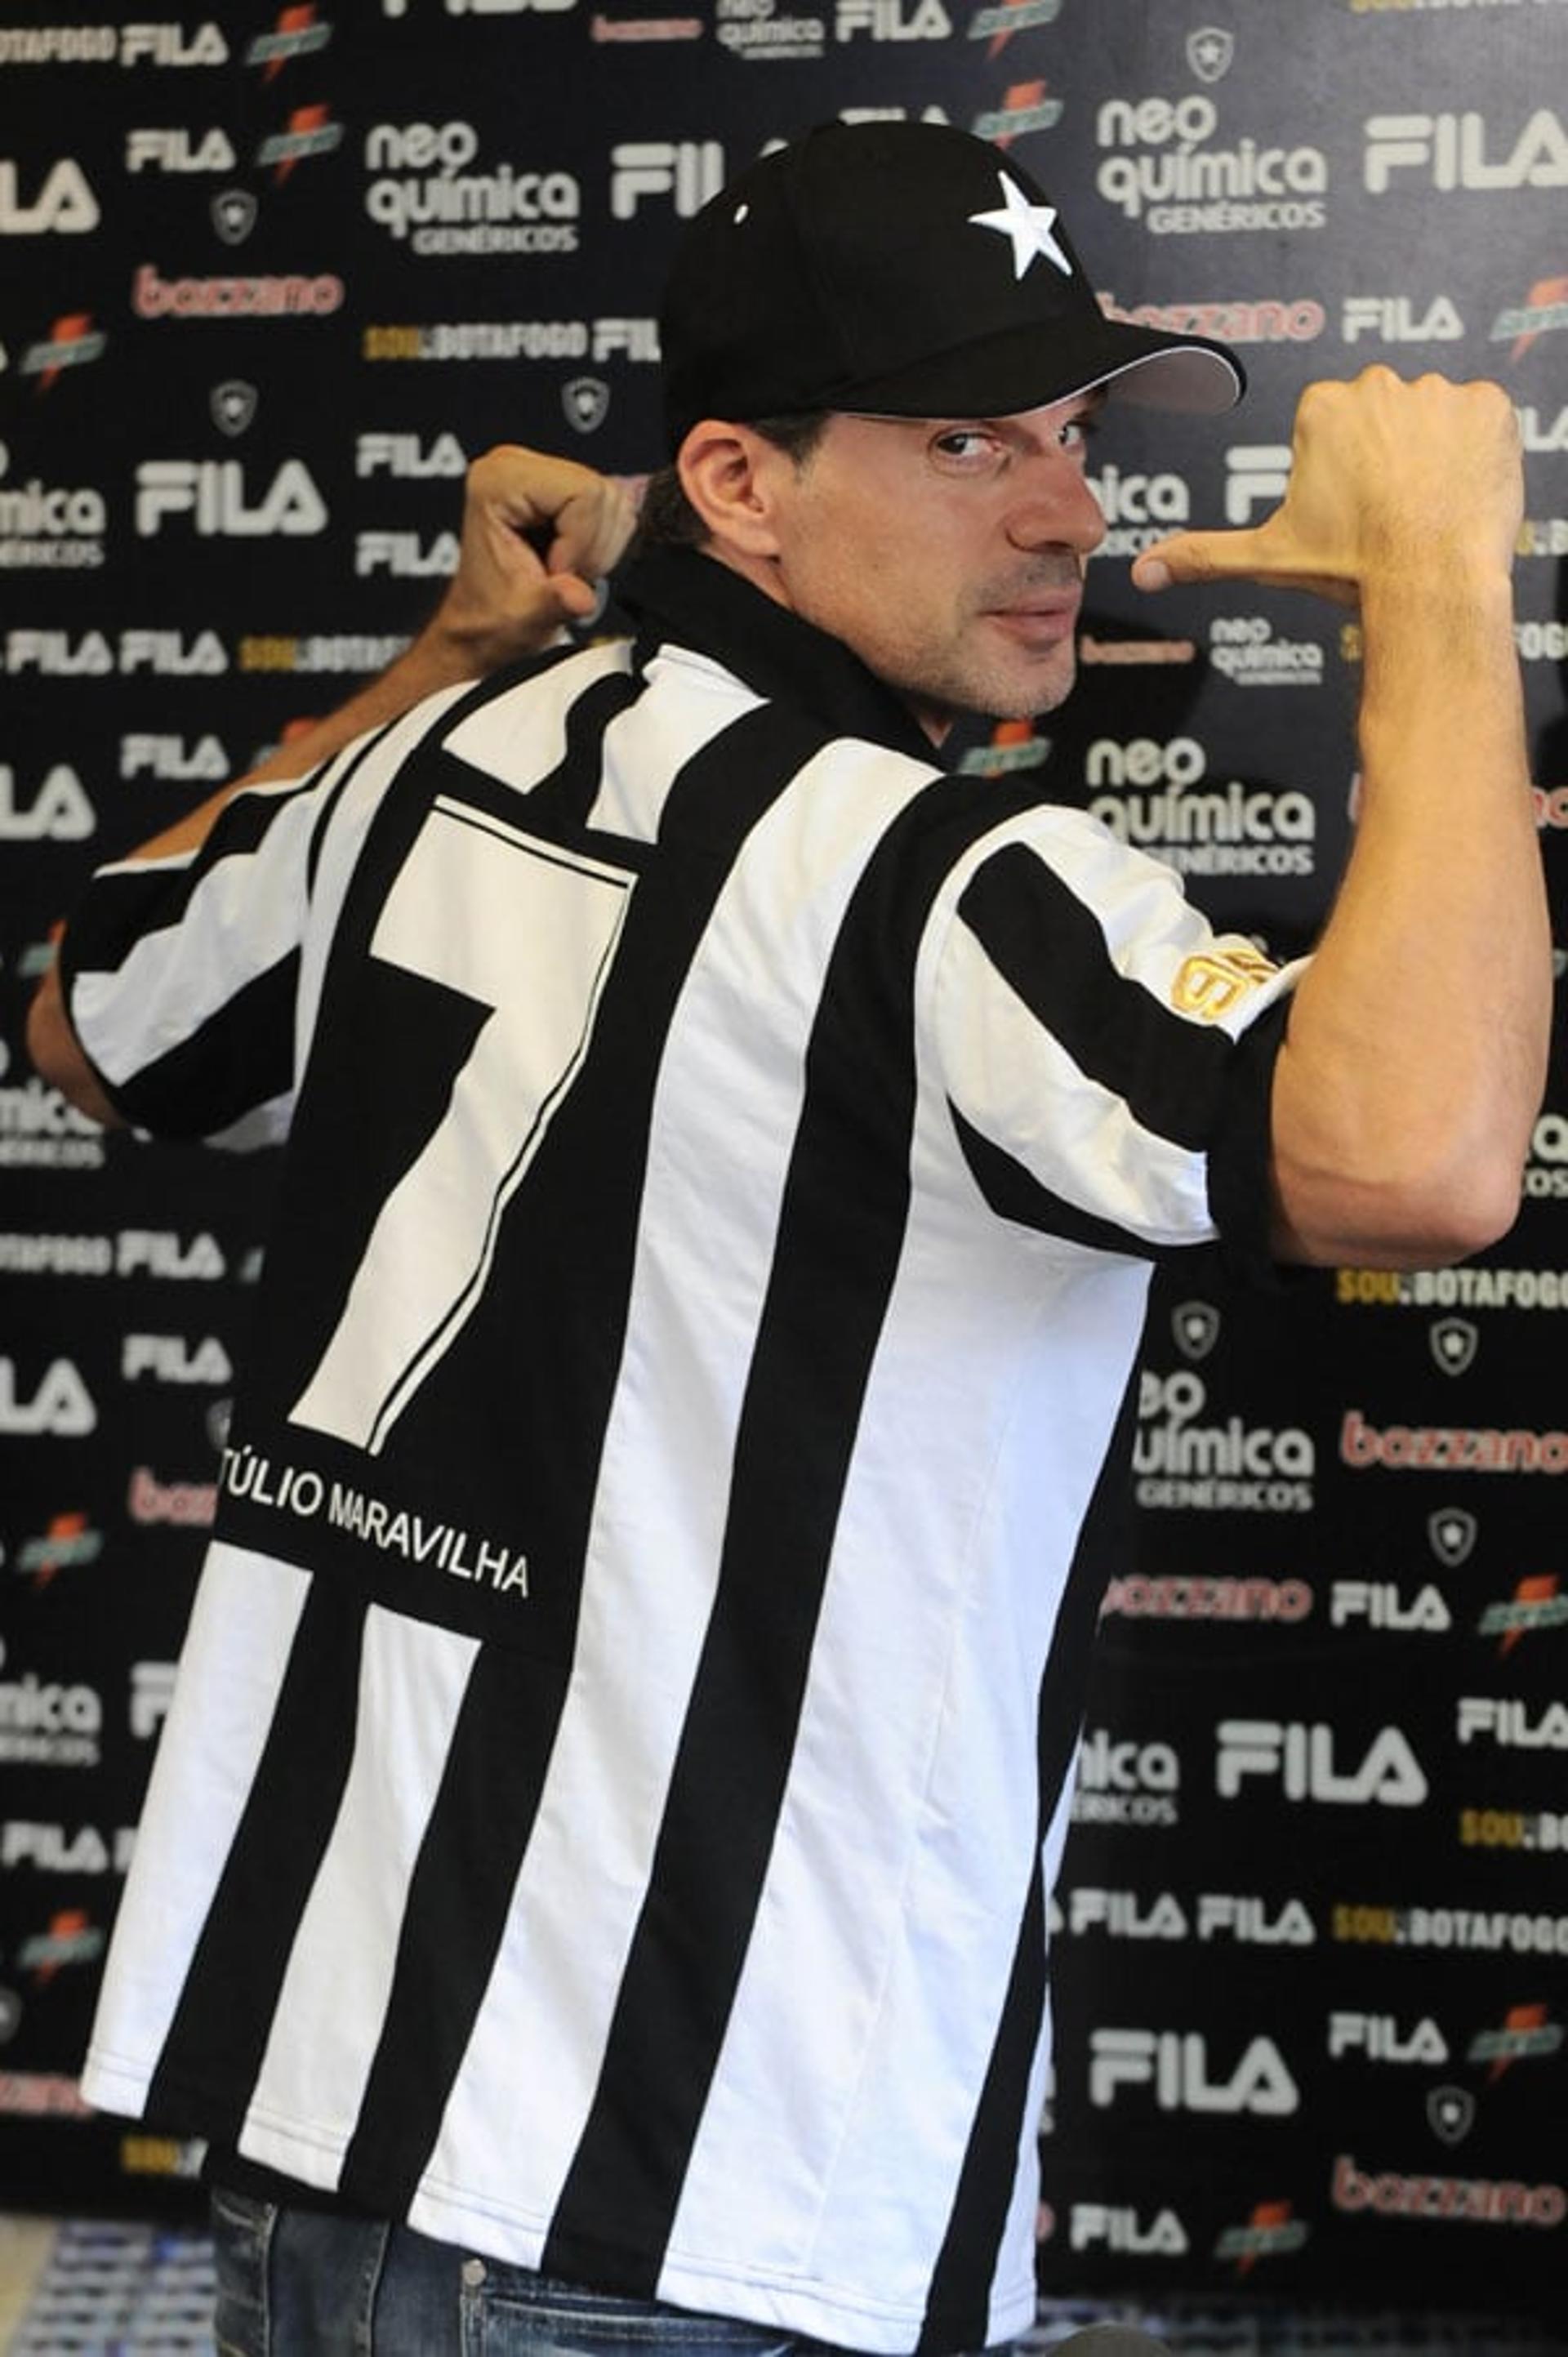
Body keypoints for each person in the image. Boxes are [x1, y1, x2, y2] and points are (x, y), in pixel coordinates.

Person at [29, 118, 1548, 2357]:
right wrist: (1437, 596)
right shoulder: (948, 887)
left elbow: (88, 1009)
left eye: (1069, 433)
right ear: (735, 487)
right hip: (678, 2234)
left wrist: (445, 649)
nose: (1067, 509)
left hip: (344, 2178)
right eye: (965, 440)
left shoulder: (429, 766)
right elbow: (1418, 1152)